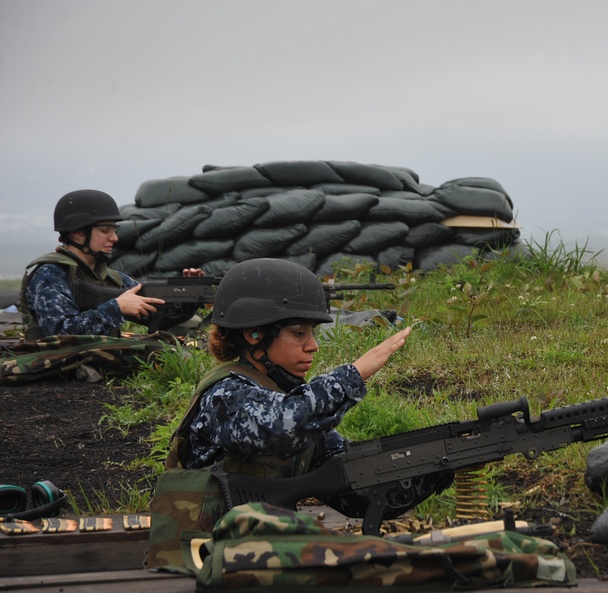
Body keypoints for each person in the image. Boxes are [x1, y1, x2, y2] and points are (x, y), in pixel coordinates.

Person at [146, 257, 414, 571]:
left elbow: (354, 491)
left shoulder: (279, 396)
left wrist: (428, 468)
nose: (313, 346)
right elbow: (283, 425)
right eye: (299, 333)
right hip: (197, 567)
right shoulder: (225, 395)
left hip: (251, 564)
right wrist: (354, 374)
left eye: (311, 333)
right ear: (254, 335)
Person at [18, 189, 203, 340]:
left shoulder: (109, 277)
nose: (114, 238)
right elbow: (60, 333)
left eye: (114, 230)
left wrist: (188, 297)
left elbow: (159, 319)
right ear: (77, 233)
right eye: (105, 230)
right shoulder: (50, 274)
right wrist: (116, 308)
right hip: (54, 367)